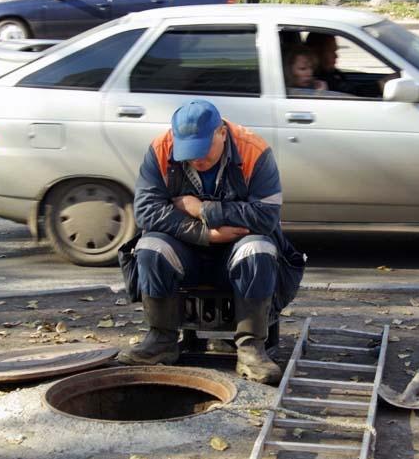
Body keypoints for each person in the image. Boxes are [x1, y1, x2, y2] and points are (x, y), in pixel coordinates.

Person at [117, 100, 305, 385]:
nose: (196, 160)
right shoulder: (160, 148)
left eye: (203, 151)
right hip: (186, 250)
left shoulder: (254, 150)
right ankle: (161, 340)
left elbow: (266, 217)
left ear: (222, 133)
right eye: (188, 154)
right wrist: (205, 234)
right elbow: (146, 211)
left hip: (236, 251)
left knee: (260, 247)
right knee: (150, 247)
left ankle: (251, 349)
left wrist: (202, 209)